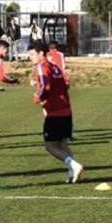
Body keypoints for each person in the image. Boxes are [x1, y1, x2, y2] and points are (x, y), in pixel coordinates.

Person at [28, 40, 84, 183]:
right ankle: (72, 174)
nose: (30, 57)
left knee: (50, 146)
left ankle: (74, 165)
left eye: (32, 54)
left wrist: (38, 97)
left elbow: (46, 86)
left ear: (41, 54)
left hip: (55, 112)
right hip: (66, 110)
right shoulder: (55, 67)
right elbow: (64, 84)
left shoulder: (42, 66)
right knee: (63, 144)